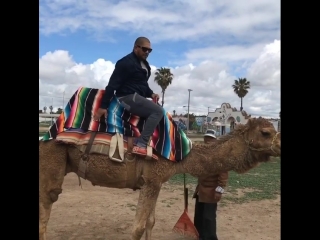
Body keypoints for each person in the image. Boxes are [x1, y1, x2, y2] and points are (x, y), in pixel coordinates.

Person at [93, 37, 163, 158]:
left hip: (137, 96)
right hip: (127, 97)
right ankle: (141, 144)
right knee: (158, 111)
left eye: (149, 50)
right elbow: (112, 85)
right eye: (145, 49)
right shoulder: (125, 63)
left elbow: (142, 85)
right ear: (136, 47)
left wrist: (151, 94)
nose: (147, 52)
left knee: (158, 110)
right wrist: (103, 106)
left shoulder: (145, 65)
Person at [193, 130, 229, 240]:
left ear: (215, 140)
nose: (208, 141)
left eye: (210, 138)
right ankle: (200, 236)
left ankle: (210, 238)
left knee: (208, 217)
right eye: (206, 138)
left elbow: (223, 174)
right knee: (199, 216)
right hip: (201, 190)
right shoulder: (202, 153)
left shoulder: (220, 155)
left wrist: (220, 189)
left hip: (211, 191)